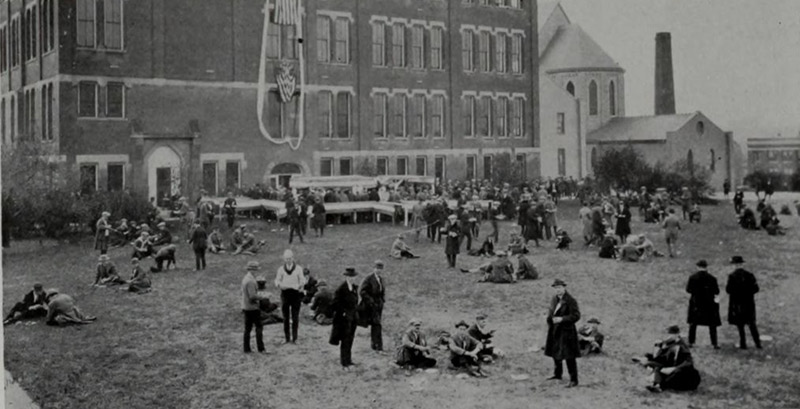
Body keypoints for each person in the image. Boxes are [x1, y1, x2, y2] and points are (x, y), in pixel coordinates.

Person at [633, 325, 701, 393]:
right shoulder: (668, 343)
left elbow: (688, 362)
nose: (666, 336)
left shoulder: (681, 346)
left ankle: (659, 385)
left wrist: (673, 368)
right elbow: (660, 357)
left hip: (681, 371)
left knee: (662, 371)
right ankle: (656, 382)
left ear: (676, 335)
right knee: (652, 365)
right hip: (668, 365)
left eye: (669, 334)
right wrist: (656, 348)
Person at [544, 279, 580, 388]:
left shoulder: (571, 300)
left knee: (569, 356)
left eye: (559, 287)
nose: (558, 290)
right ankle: (557, 374)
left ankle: (574, 380)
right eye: (556, 288)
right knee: (555, 352)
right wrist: (549, 320)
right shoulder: (554, 299)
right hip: (555, 330)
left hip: (567, 332)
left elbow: (576, 316)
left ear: (564, 288)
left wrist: (562, 319)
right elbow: (551, 312)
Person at [726, 256, 762, 349]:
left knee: (740, 325)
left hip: (738, 304)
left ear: (735, 265)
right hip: (749, 303)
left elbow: (728, 290)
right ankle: (757, 343)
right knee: (752, 324)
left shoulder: (732, 276)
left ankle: (743, 344)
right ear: (742, 264)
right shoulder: (749, 275)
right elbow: (756, 289)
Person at [329, 267, 360, 370]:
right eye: (350, 277)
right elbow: (334, 304)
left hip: (353, 318)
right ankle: (344, 363)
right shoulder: (341, 289)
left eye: (353, 277)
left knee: (350, 339)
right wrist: (343, 312)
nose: (352, 278)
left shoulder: (354, 287)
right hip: (344, 320)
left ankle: (349, 360)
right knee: (345, 340)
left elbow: (355, 302)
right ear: (346, 277)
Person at [685, 260, 721, 349]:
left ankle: (691, 342)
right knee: (712, 324)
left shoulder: (693, 277)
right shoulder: (712, 278)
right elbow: (716, 291)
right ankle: (714, 343)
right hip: (709, 304)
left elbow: (688, 290)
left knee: (693, 324)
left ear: (698, 267)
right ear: (706, 267)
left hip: (696, 303)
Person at [274, 249, 306, 344]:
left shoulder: (298, 269)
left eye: (290, 258)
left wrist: (300, 286)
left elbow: (303, 280)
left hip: (295, 294)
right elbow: (277, 280)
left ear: (293, 258)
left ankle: (295, 338)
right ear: (284, 259)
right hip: (285, 294)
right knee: (285, 317)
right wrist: (279, 285)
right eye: (286, 259)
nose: (288, 260)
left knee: (295, 316)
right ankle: (287, 338)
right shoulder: (280, 269)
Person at [360, 260, 386, 354]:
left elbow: (382, 291)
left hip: (378, 305)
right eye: (377, 268)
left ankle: (375, 345)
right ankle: (378, 346)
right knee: (377, 325)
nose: (378, 270)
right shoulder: (368, 278)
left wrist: (382, 300)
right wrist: (371, 301)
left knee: (376, 325)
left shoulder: (381, 279)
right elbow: (362, 291)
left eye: (380, 269)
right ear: (373, 268)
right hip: (371, 306)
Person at [242, 261, 268, 353]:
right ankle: (261, 348)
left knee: (247, 329)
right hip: (253, 307)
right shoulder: (251, 281)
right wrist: (263, 297)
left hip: (246, 307)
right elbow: (252, 296)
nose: (257, 272)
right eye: (256, 270)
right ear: (252, 270)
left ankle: (246, 348)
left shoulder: (246, 278)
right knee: (259, 327)